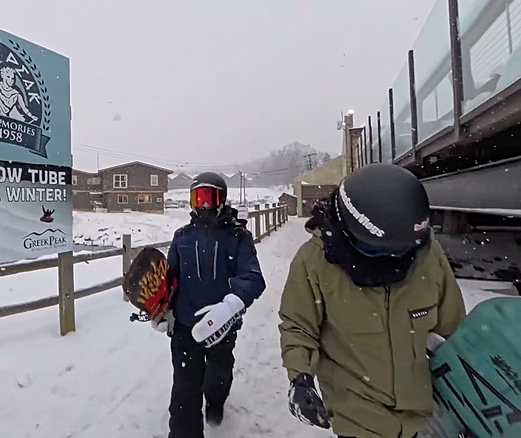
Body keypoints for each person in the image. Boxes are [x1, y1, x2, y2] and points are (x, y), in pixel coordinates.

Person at [278, 163, 466, 438]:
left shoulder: (429, 258)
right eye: (375, 249)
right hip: (357, 417)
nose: (389, 260)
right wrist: (300, 377)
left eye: (398, 251)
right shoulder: (315, 262)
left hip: (424, 415)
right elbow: (298, 327)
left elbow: (454, 331)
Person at [152, 171, 266, 438]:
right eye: (198, 197)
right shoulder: (182, 236)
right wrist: (160, 308)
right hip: (185, 327)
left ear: (221, 199)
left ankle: (216, 401)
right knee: (184, 393)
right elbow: (170, 278)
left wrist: (230, 305)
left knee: (218, 376)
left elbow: (253, 278)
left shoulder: (237, 237)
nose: (203, 204)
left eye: (209, 197)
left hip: (221, 328)